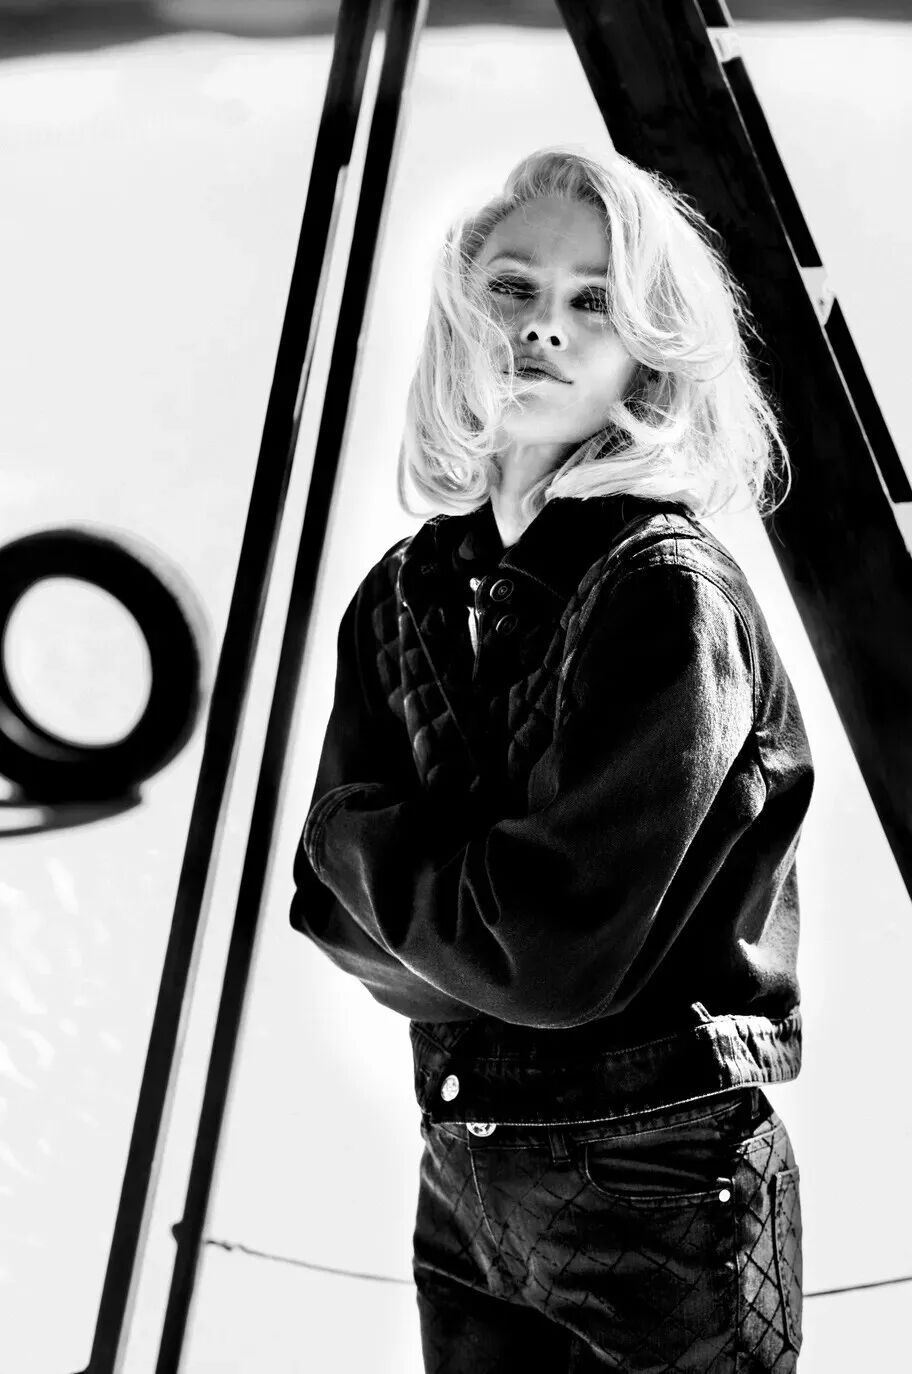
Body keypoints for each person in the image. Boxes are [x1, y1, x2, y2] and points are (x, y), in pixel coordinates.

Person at [290, 146, 813, 1372]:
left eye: (595, 302)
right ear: (464, 312)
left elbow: (543, 952)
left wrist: (381, 856)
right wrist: (453, 918)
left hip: (661, 1187)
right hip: (464, 1174)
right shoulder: (405, 592)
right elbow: (326, 911)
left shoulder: (663, 594)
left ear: (648, 352)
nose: (544, 328)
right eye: (515, 288)